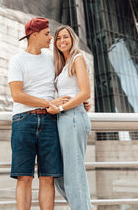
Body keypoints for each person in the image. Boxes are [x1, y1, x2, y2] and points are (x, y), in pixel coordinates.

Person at [8, 17, 90, 210]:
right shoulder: (17, 61)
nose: (51, 38)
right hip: (23, 120)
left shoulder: (53, 59)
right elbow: (17, 95)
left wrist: (78, 102)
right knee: (24, 177)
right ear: (34, 35)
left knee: (48, 178)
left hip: (50, 120)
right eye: (47, 34)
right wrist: (49, 103)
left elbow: (71, 82)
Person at [47, 25, 92, 210]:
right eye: (58, 38)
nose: (62, 41)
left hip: (71, 117)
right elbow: (76, 93)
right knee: (59, 175)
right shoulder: (62, 64)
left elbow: (85, 93)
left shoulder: (77, 58)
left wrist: (62, 108)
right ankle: (84, 207)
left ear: (73, 39)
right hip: (64, 119)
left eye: (65, 37)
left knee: (74, 173)